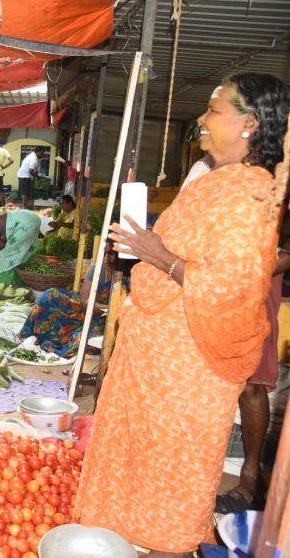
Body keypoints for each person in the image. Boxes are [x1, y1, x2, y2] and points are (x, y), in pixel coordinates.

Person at [74, 73, 290, 557]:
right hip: (157, 361)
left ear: (250, 123)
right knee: (138, 464)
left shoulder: (250, 195)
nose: (202, 119)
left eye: (214, 109)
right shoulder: (216, 182)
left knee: (173, 474)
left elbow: (230, 287)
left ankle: (166, 547)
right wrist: (145, 250)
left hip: (189, 370)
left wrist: (158, 255)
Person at [182, 155, 290, 515]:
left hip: (253, 283)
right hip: (214, 282)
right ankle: (203, 469)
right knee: (210, 371)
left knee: (250, 382)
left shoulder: (276, 180)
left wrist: (248, 268)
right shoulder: (214, 171)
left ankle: (249, 476)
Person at [18, 247, 119, 357]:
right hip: (82, 308)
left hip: (105, 319)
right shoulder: (96, 270)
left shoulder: (130, 277)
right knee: (50, 295)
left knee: (87, 342)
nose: (107, 259)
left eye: (112, 254)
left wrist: (110, 310)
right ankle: (33, 334)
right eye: (105, 253)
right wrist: (109, 308)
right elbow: (85, 303)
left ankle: (59, 342)